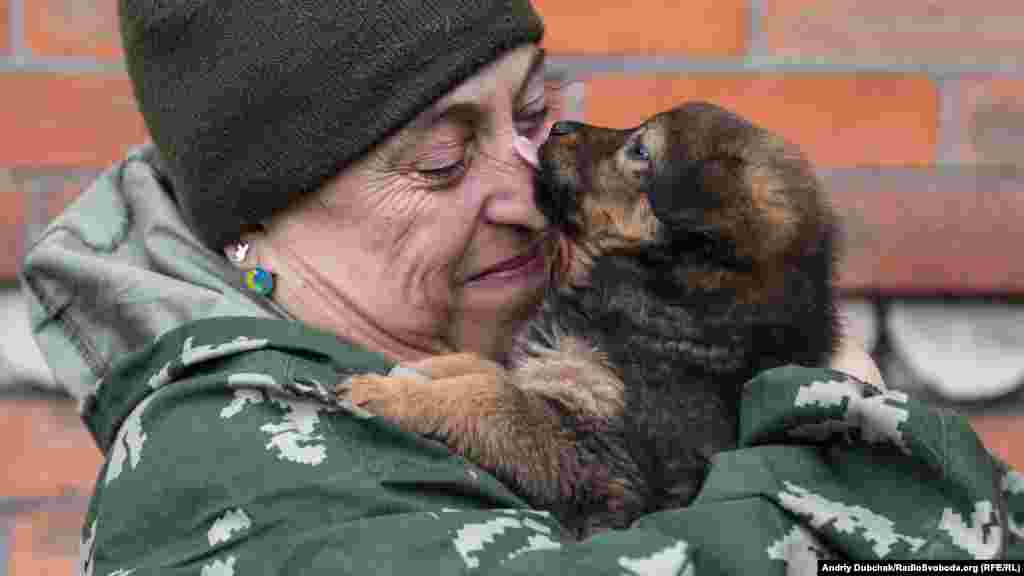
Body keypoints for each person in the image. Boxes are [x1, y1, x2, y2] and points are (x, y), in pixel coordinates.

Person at [20, 0, 1022, 573]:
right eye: (443, 162)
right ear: (253, 222)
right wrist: (852, 439)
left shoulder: (578, 334)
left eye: (535, 110)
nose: (528, 190)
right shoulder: (220, 471)